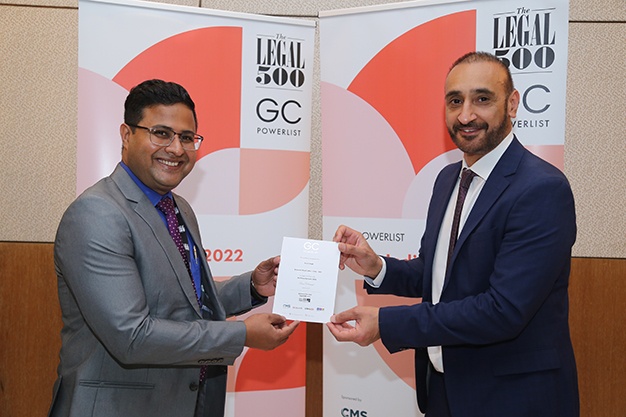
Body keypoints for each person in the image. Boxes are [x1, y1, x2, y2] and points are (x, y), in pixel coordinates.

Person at [327, 52, 579, 417]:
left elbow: (503, 310)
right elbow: (438, 274)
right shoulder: (448, 179)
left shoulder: (541, 189)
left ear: (512, 104)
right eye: (455, 101)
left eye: (482, 99)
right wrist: (377, 267)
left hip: (513, 398)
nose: (465, 115)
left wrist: (386, 323)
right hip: (444, 392)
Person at [48, 79, 299, 417]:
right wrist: (240, 334)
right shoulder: (97, 214)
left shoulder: (178, 208)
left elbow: (185, 304)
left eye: (186, 137)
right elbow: (132, 336)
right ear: (126, 135)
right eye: (161, 133)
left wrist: (252, 286)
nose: (177, 149)